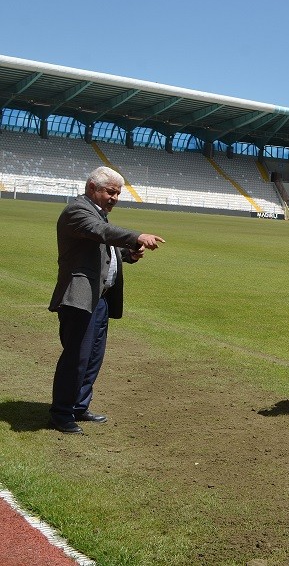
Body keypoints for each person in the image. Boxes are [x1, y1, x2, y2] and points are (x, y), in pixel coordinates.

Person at [49, 166, 165, 434]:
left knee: (92, 358)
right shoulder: (77, 211)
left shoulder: (96, 213)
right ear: (93, 188)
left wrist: (128, 255)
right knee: (76, 357)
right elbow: (100, 233)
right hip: (79, 298)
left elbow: (103, 250)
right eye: (110, 192)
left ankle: (79, 406)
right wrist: (137, 237)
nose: (115, 198)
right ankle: (61, 413)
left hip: (99, 298)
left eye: (118, 193)